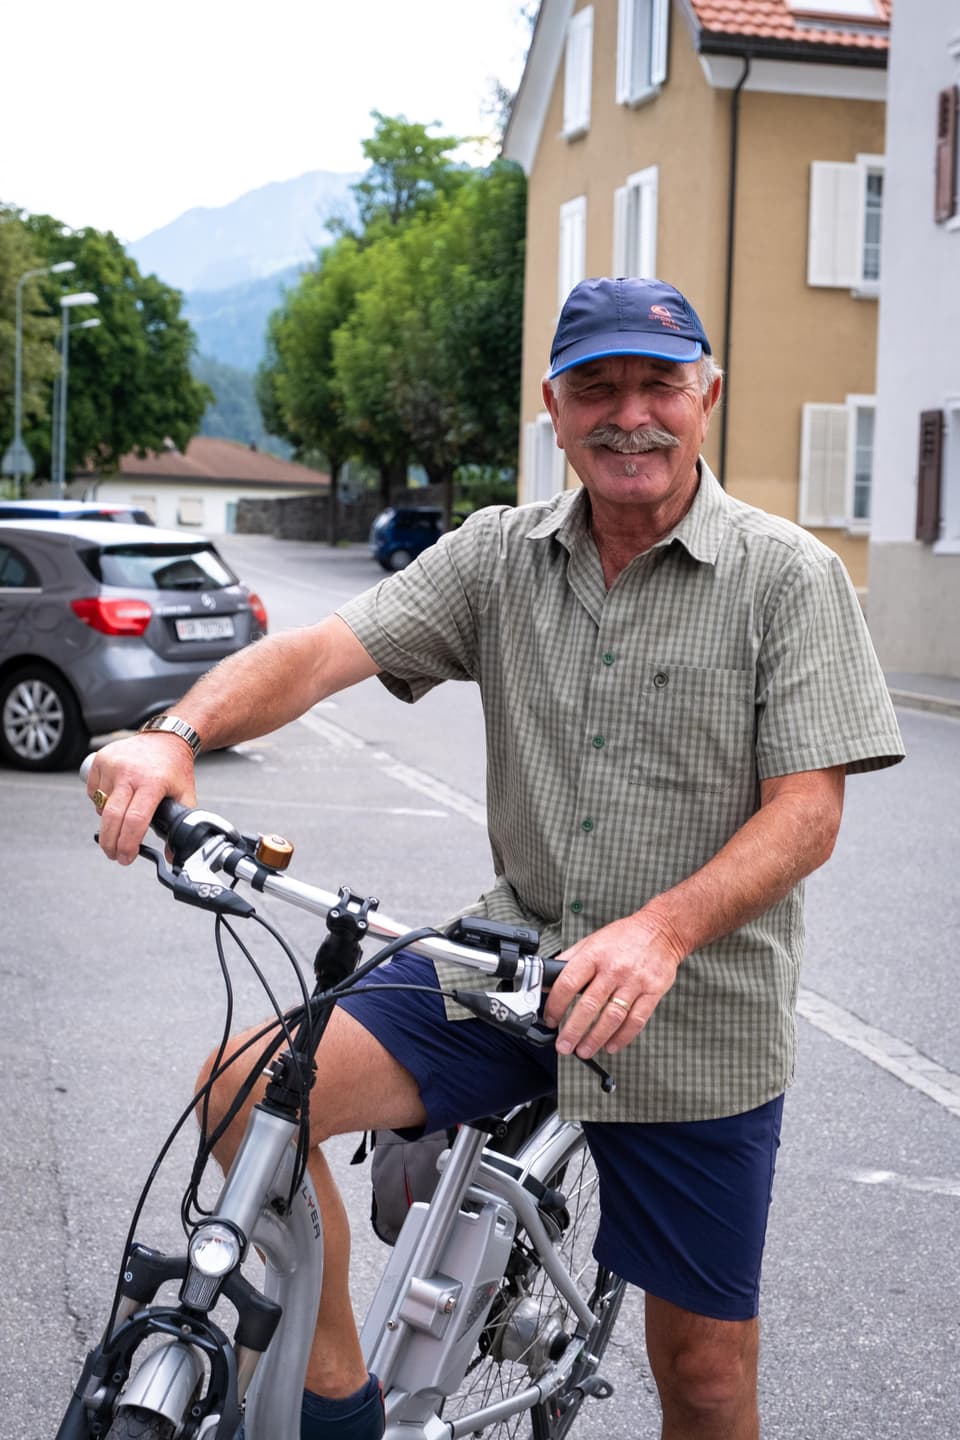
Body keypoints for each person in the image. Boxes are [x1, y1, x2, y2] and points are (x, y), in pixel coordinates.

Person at [87, 275, 905, 1440]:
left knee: (708, 1380)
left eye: (659, 386)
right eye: (599, 388)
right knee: (242, 1089)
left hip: (694, 1013)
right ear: (556, 409)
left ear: (706, 399)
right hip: (507, 961)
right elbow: (324, 651)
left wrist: (660, 931)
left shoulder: (788, 577)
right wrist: (175, 735)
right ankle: (338, 1395)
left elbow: (807, 812)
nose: (633, 415)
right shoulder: (498, 557)